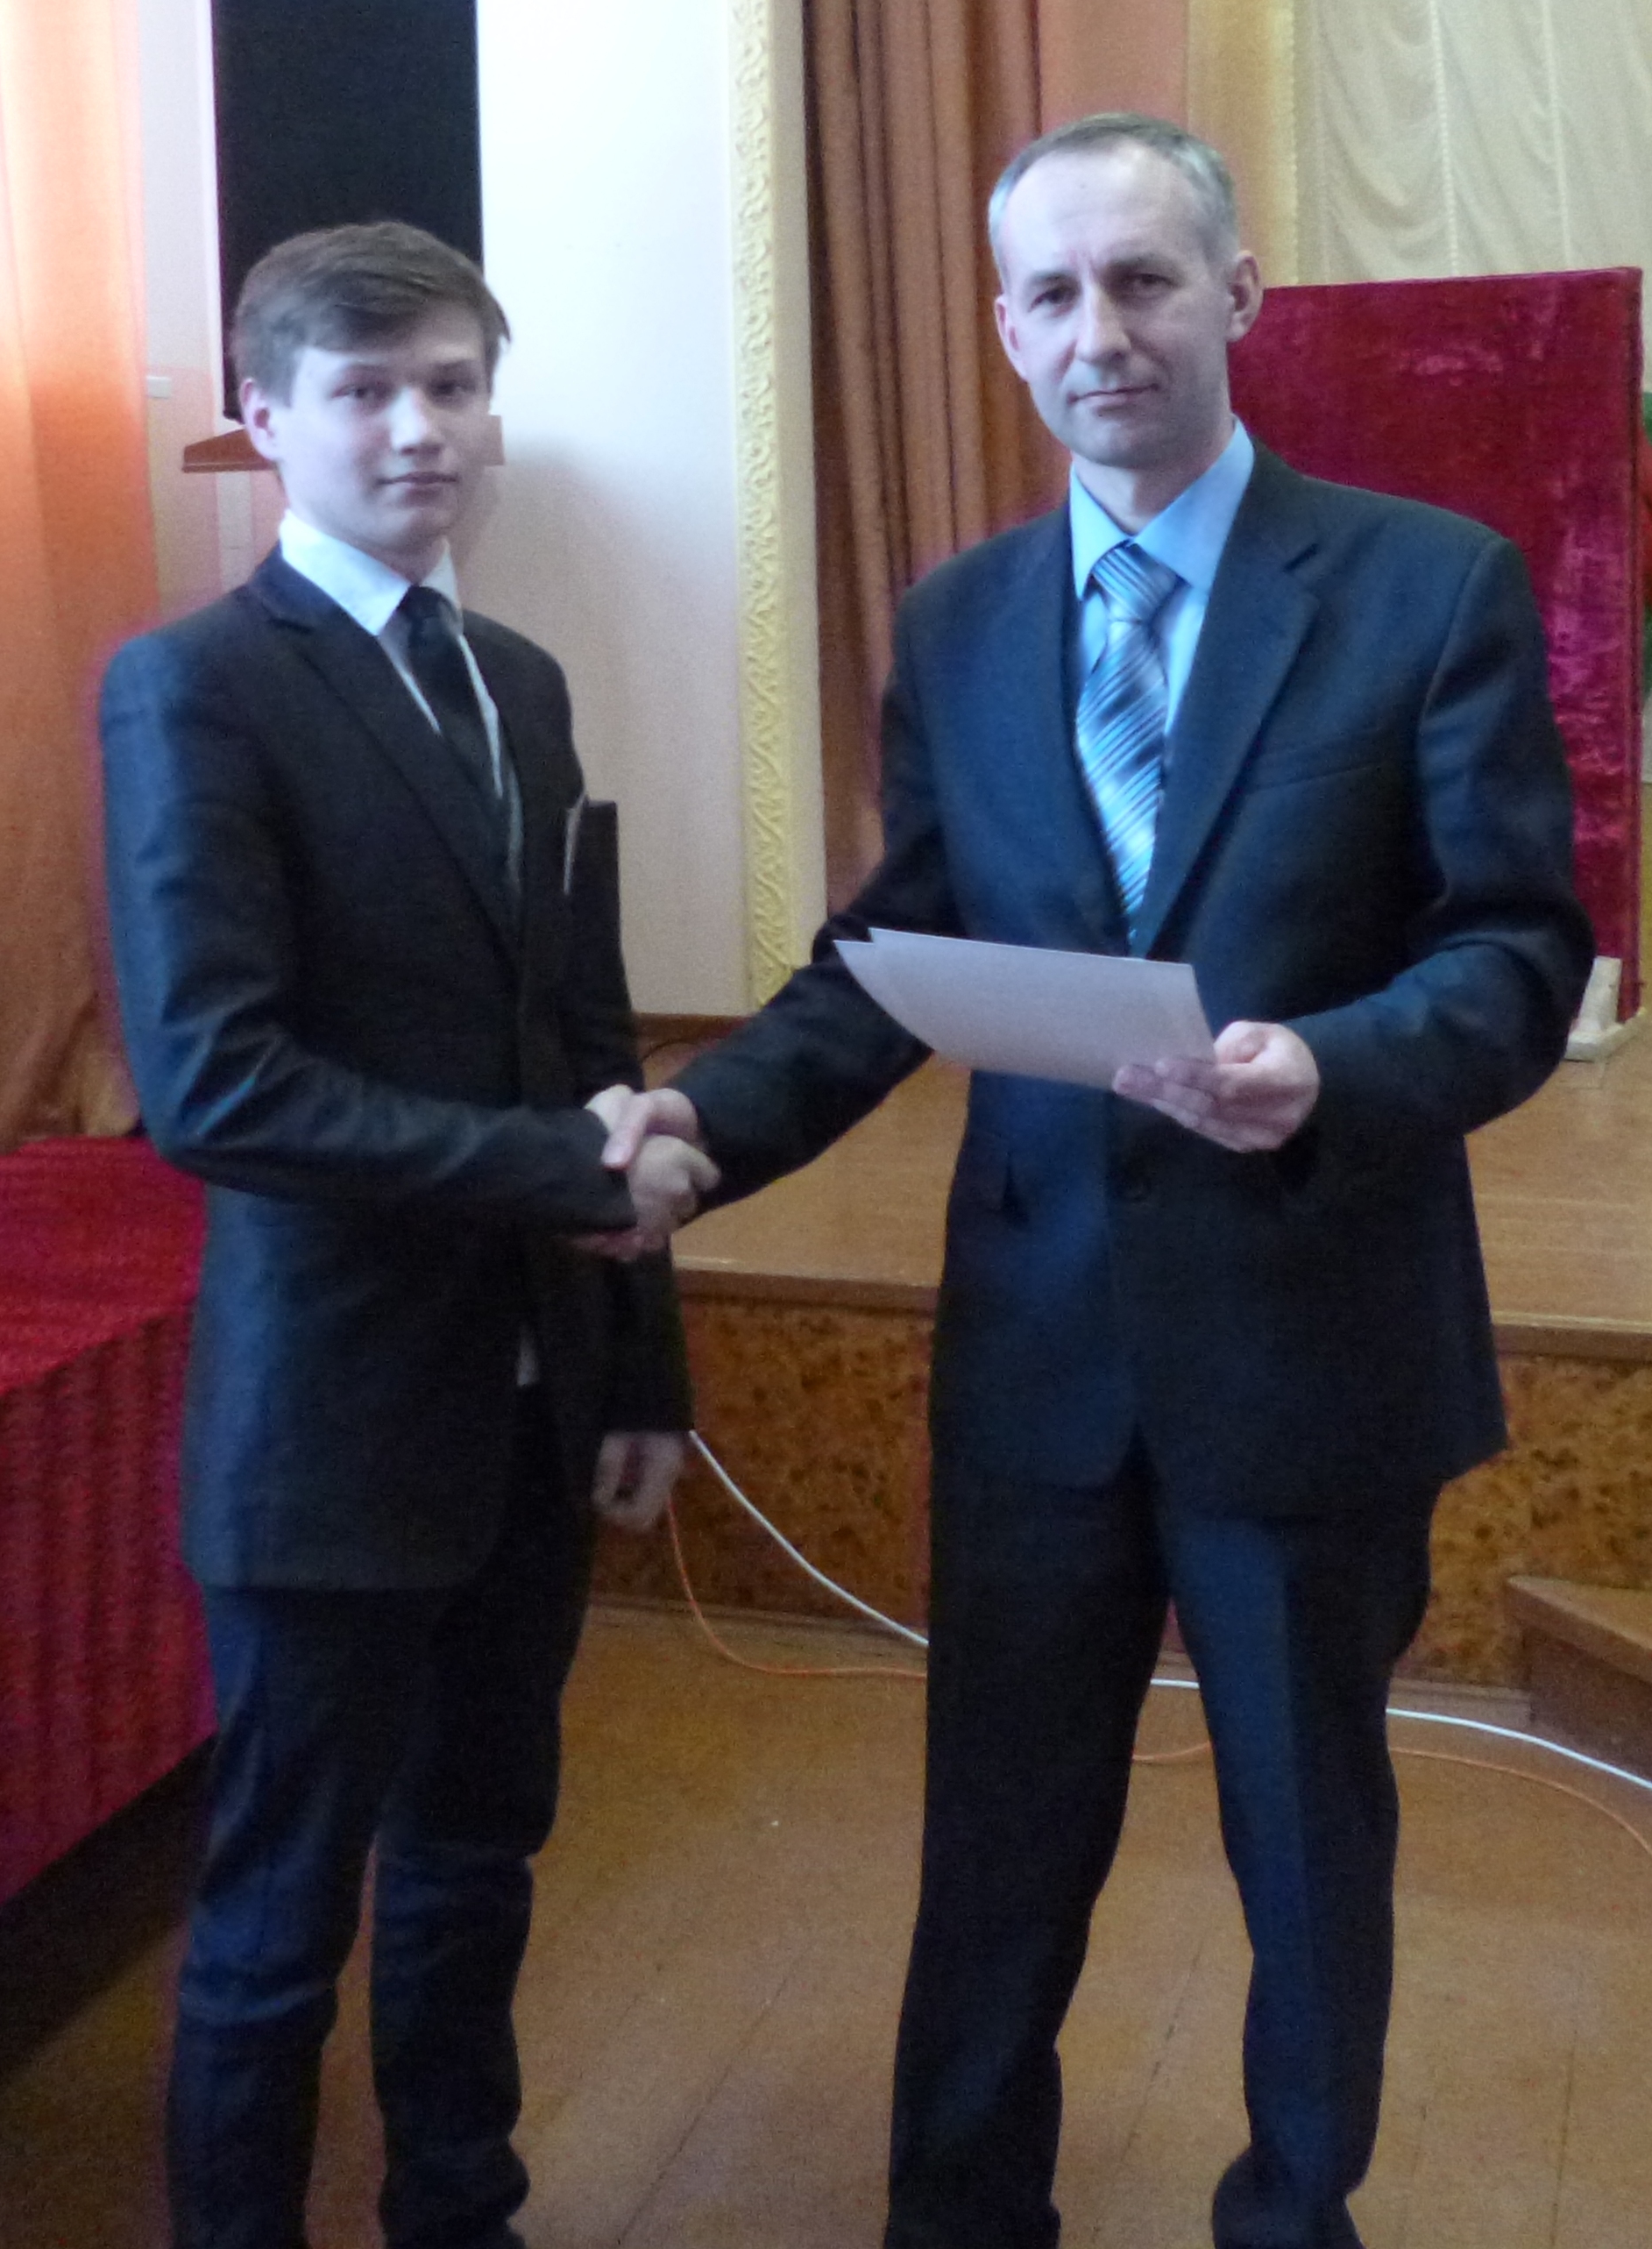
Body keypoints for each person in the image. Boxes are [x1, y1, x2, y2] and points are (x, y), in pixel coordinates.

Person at [602, 112, 1592, 2249]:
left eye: (1140, 279)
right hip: (1039, 1346)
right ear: (1000, 327)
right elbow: (891, 951)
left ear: (1236, 293)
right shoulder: (960, 620)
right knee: (995, 1838)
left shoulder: (1422, 584)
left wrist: (1326, 1062)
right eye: (1049, 292)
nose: (1097, 331)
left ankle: (1288, 2215)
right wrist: (703, 1125)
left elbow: (1516, 951)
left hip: (1305, 1334)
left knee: (1303, 1846)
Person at [100, 221, 716, 2249]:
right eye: (361, 390)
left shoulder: (516, 682)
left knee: (476, 1856)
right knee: (278, 1916)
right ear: (264, 418)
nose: (416, 427)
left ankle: (460, 2208)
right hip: (333, 1417)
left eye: (450, 383)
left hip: (536, 1394)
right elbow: (214, 1087)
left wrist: (639, 1362)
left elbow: (586, 1037)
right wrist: (560, 1170)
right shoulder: (193, 687)